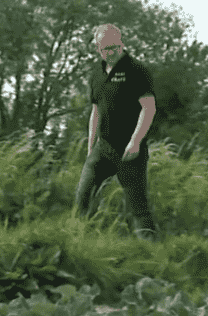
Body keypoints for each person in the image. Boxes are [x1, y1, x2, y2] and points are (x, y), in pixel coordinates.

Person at [74, 23, 160, 243]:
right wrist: (90, 143)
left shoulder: (136, 71)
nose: (112, 52)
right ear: (97, 49)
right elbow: (95, 111)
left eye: (115, 47)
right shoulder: (96, 75)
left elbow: (148, 108)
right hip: (102, 148)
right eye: (106, 49)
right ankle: (80, 243)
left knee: (138, 208)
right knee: (83, 197)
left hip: (130, 151)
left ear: (121, 43)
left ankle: (153, 253)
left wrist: (135, 142)